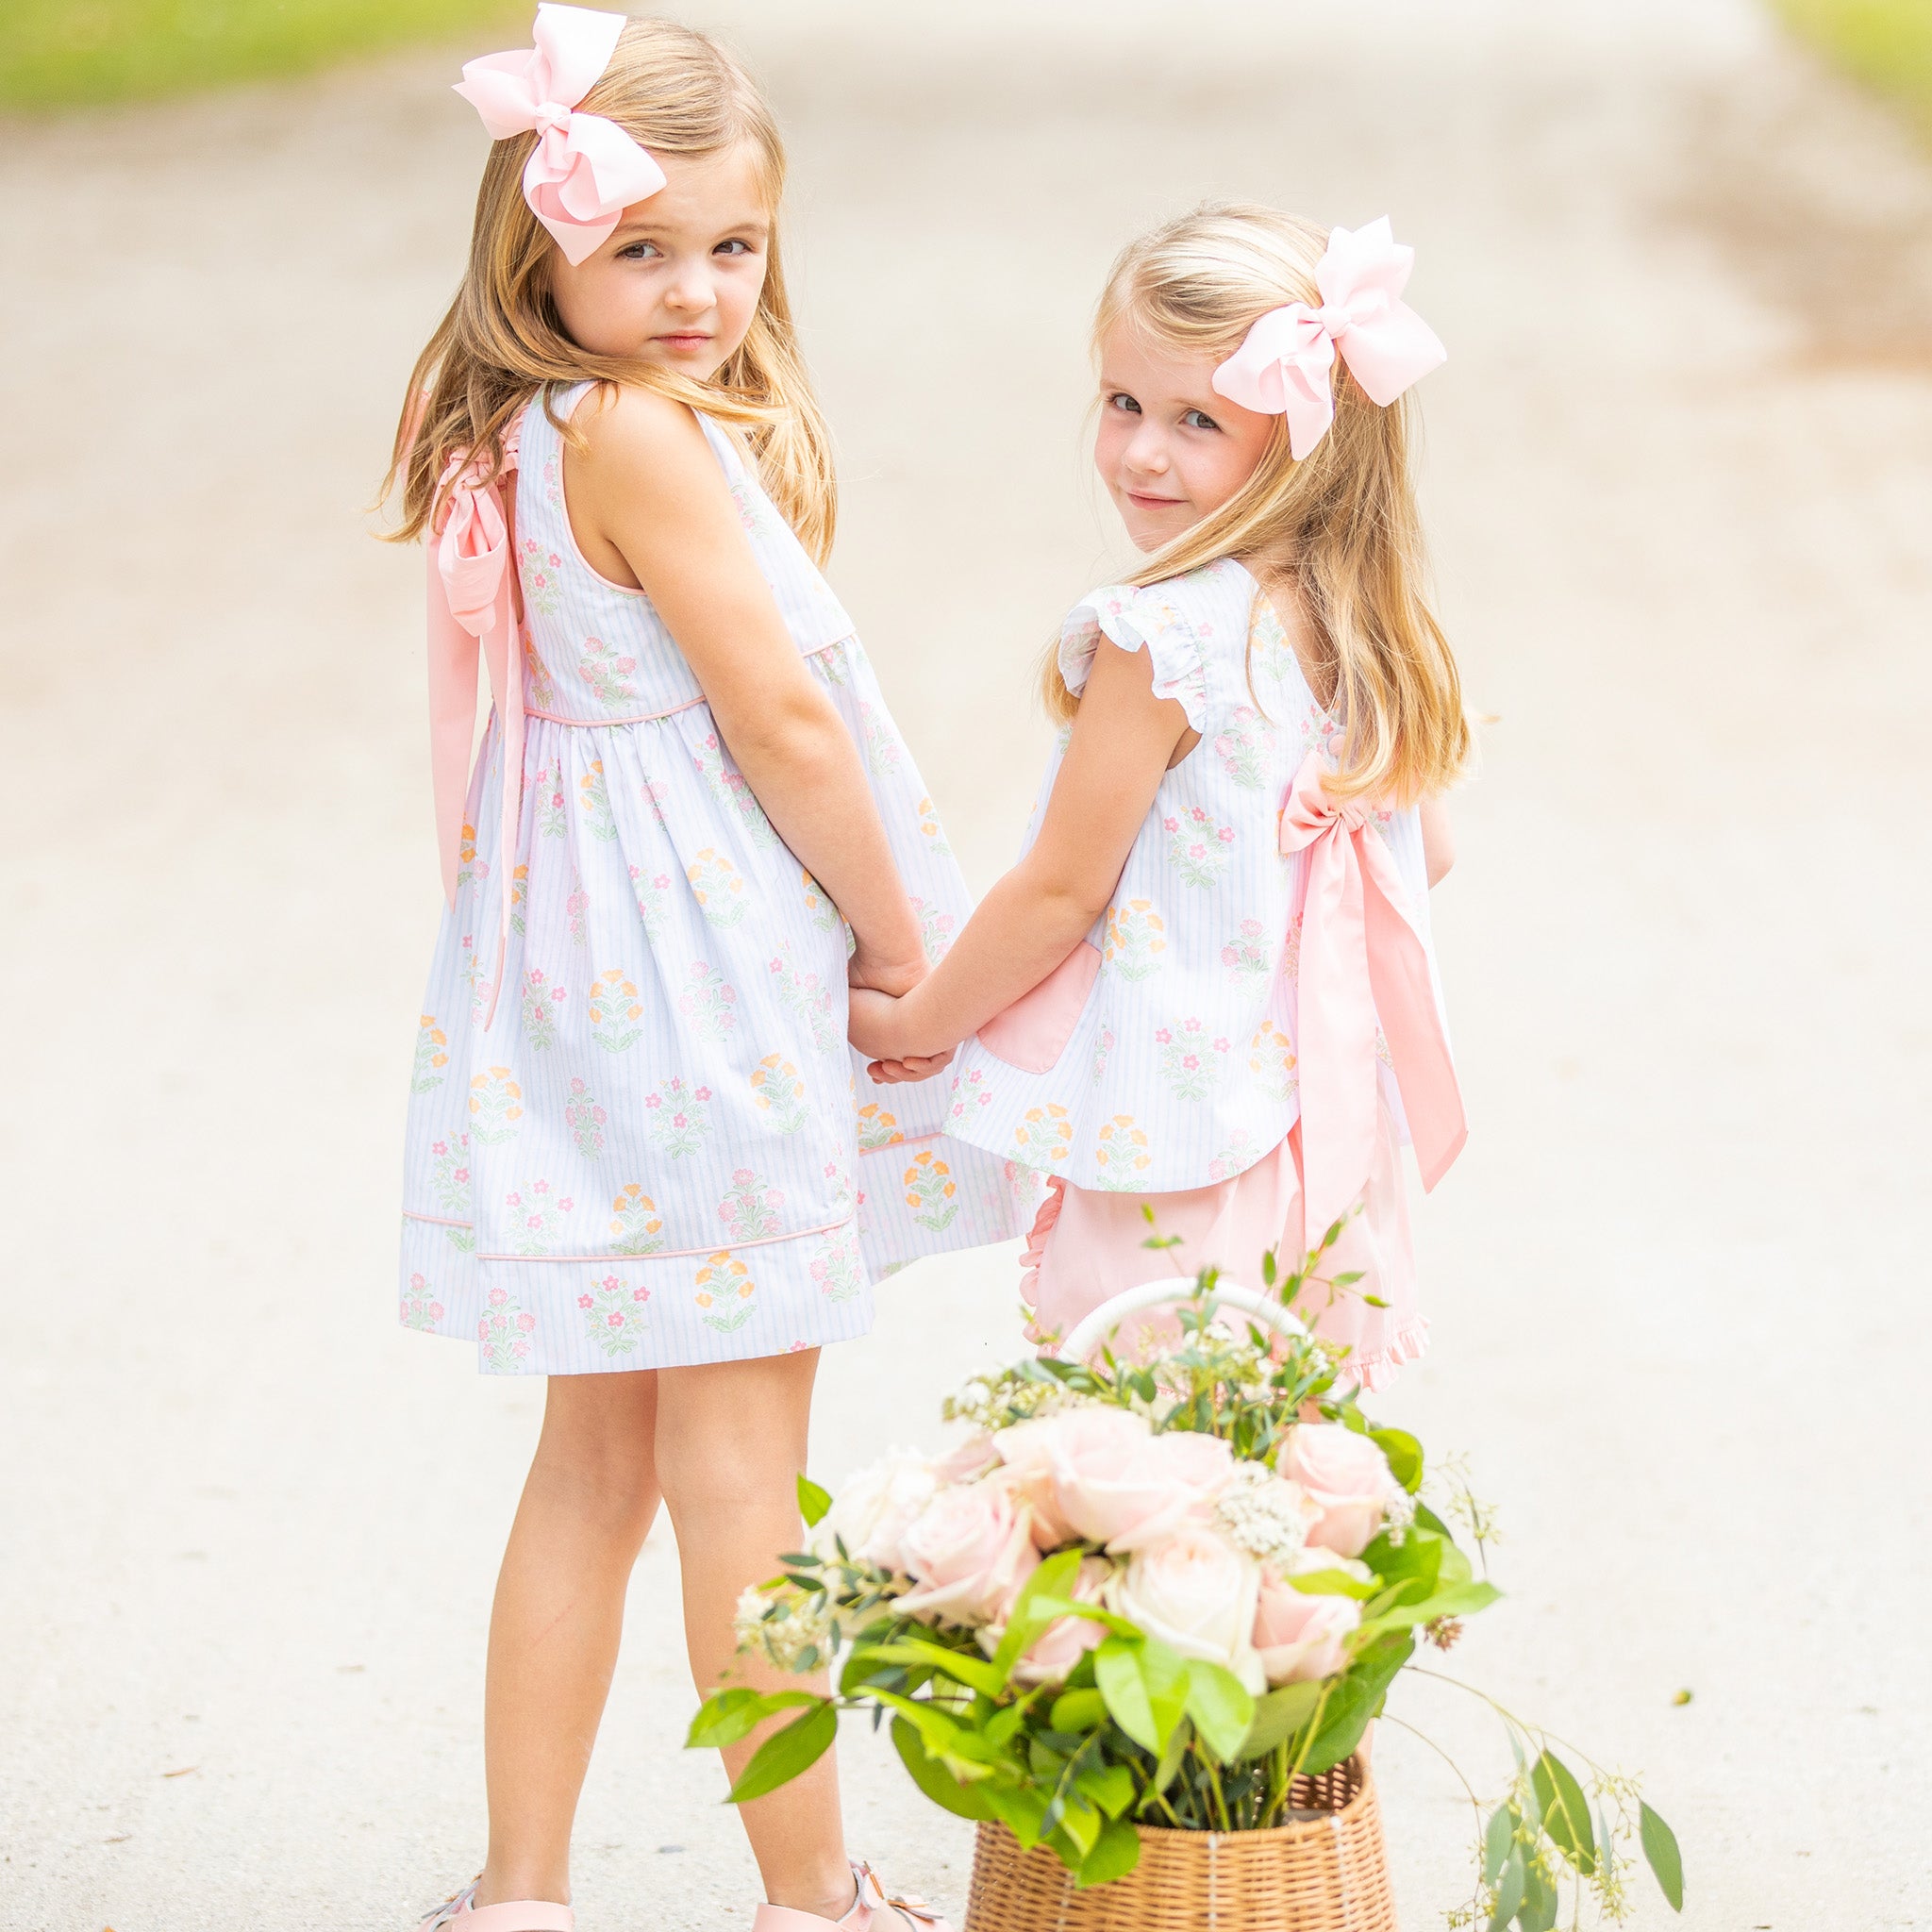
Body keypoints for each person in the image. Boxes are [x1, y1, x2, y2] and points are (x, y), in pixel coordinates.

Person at [382, 10, 1022, 1927]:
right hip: (710, 998)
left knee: (596, 1455)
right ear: (540, 242)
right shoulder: (644, 439)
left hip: (585, 997)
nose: (694, 292)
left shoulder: (517, 426)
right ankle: (809, 1893)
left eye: (730, 248)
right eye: (641, 247)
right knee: (745, 1453)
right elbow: (783, 725)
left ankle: (522, 1889)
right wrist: (911, 952)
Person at [852, 205, 1470, 1388]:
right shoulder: (1361, 626)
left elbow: (1058, 888)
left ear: (1303, 439)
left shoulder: (1167, 636)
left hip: (1176, 1140)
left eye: (1198, 421)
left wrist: (915, 1024)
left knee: (1138, 1455)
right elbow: (1418, 854)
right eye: (1123, 402)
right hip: (1317, 1136)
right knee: (1273, 1460)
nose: (1141, 452)